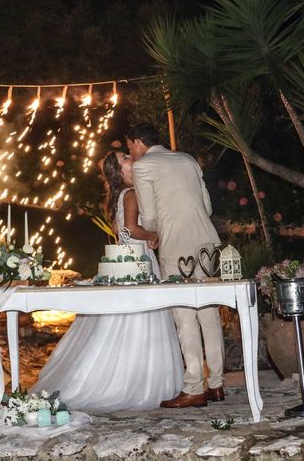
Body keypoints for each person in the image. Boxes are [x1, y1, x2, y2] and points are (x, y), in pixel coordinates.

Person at [30, 151, 183, 411]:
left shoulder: (119, 196)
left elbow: (117, 229)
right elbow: (132, 229)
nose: (130, 157)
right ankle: (136, 382)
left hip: (129, 258)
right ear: (121, 171)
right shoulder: (132, 193)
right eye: (125, 157)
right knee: (144, 315)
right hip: (139, 260)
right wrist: (153, 235)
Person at [128, 123, 225, 409]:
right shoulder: (187, 159)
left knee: (184, 317)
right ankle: (217, 384)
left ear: (138, 142)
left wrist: (153, 234)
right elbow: (207, 207)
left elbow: (149, 216)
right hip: (208, 241)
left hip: (176, 245)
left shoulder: (143, 166)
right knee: (209, 313)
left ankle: (194, 386)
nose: (130, 153)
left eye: (129, 147)